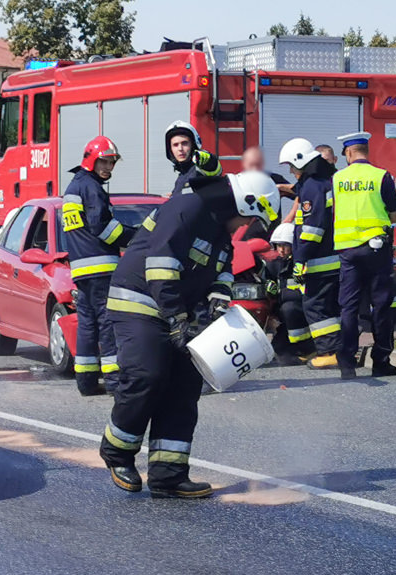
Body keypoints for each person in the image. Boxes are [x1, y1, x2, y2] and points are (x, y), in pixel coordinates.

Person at [99, 171, 279, 498]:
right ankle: (118, 452)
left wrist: (216, 301)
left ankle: (168, 474)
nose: (243, 227)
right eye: (248, 219)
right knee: (148, 375)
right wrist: (178, 319)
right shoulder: (187, 209)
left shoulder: (220, 227)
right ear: (243, 202)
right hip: (140, 301)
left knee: (184, 386)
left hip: (179, 309)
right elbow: (160, 267)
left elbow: (221, 269)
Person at [62, 136, 135, 396]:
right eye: (104, 161)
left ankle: (86, 382)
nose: (108, 167)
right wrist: (135, 237)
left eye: (112, 162)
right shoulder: (91, 187)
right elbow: (102, 227)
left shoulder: (74, 186)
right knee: (107, 323)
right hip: (101, 267)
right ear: (91, 160)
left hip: (81, 268)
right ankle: (115, 383)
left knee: (87, 324)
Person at [332, 132, 396, 380]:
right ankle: (381, 361)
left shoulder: (337, 179)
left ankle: (347, 363)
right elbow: (395, 214)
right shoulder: (381, 176)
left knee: (349, 307)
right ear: (366, 152)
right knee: (381, 305)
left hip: (348, 251)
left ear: (349, 153)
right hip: (376, 250)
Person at [279, 137, 341, 369]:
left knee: (315, 305)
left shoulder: (313, 186)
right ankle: (333, 349)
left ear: (302, 162)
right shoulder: (319, 181)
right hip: (327, 256)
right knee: (327, 305)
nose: (292, 171)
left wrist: (300, 258)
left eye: (292, 166)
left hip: (318, 259)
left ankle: (330, 352)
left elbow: (312, 229)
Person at [265, 222, 315, 364]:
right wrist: (269, 286)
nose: (281, 250)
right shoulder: (273, 264)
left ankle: (306, 348)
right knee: (280, 353)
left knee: (289, 308)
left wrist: (281, 294)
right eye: (278, 245)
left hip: (301, 310)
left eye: (285, 246)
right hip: (283, 314)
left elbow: (307, 292)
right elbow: (268, 280)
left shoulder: (302, 264)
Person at [165, 121, 222, 197]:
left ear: (193, 145)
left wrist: (208, 159)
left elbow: (213, 167)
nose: (180, 148)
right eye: (175, 145)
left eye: (184, 143)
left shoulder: (201, 167)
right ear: (170, 150)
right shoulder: (181, 176)